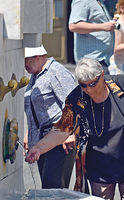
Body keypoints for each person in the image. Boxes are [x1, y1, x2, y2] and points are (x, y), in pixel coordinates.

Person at [25, 57, 124, 200]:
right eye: (83, 85)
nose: (88, 89)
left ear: (101, 75)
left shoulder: (123, 84)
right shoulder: (76, 98)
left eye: (92, 84)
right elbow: (61, 130)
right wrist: (38, 148)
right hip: (99, 167)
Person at [23, 45, 76, 189]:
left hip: (59, 137)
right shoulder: (36, 75)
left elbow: (74, 103)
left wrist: (70, 133)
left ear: (37, 56)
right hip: (42, 137)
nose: (24, 64)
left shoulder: (55, 71)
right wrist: (30, 132)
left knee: (53, 187)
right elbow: (35, 108)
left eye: (26, 59)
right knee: (48, 188)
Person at [68, 0, 117, 74]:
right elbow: (74, 26)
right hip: (91, 62)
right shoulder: (82, 1)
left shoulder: (99, 2)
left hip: (104, 60)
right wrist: (103, 26)